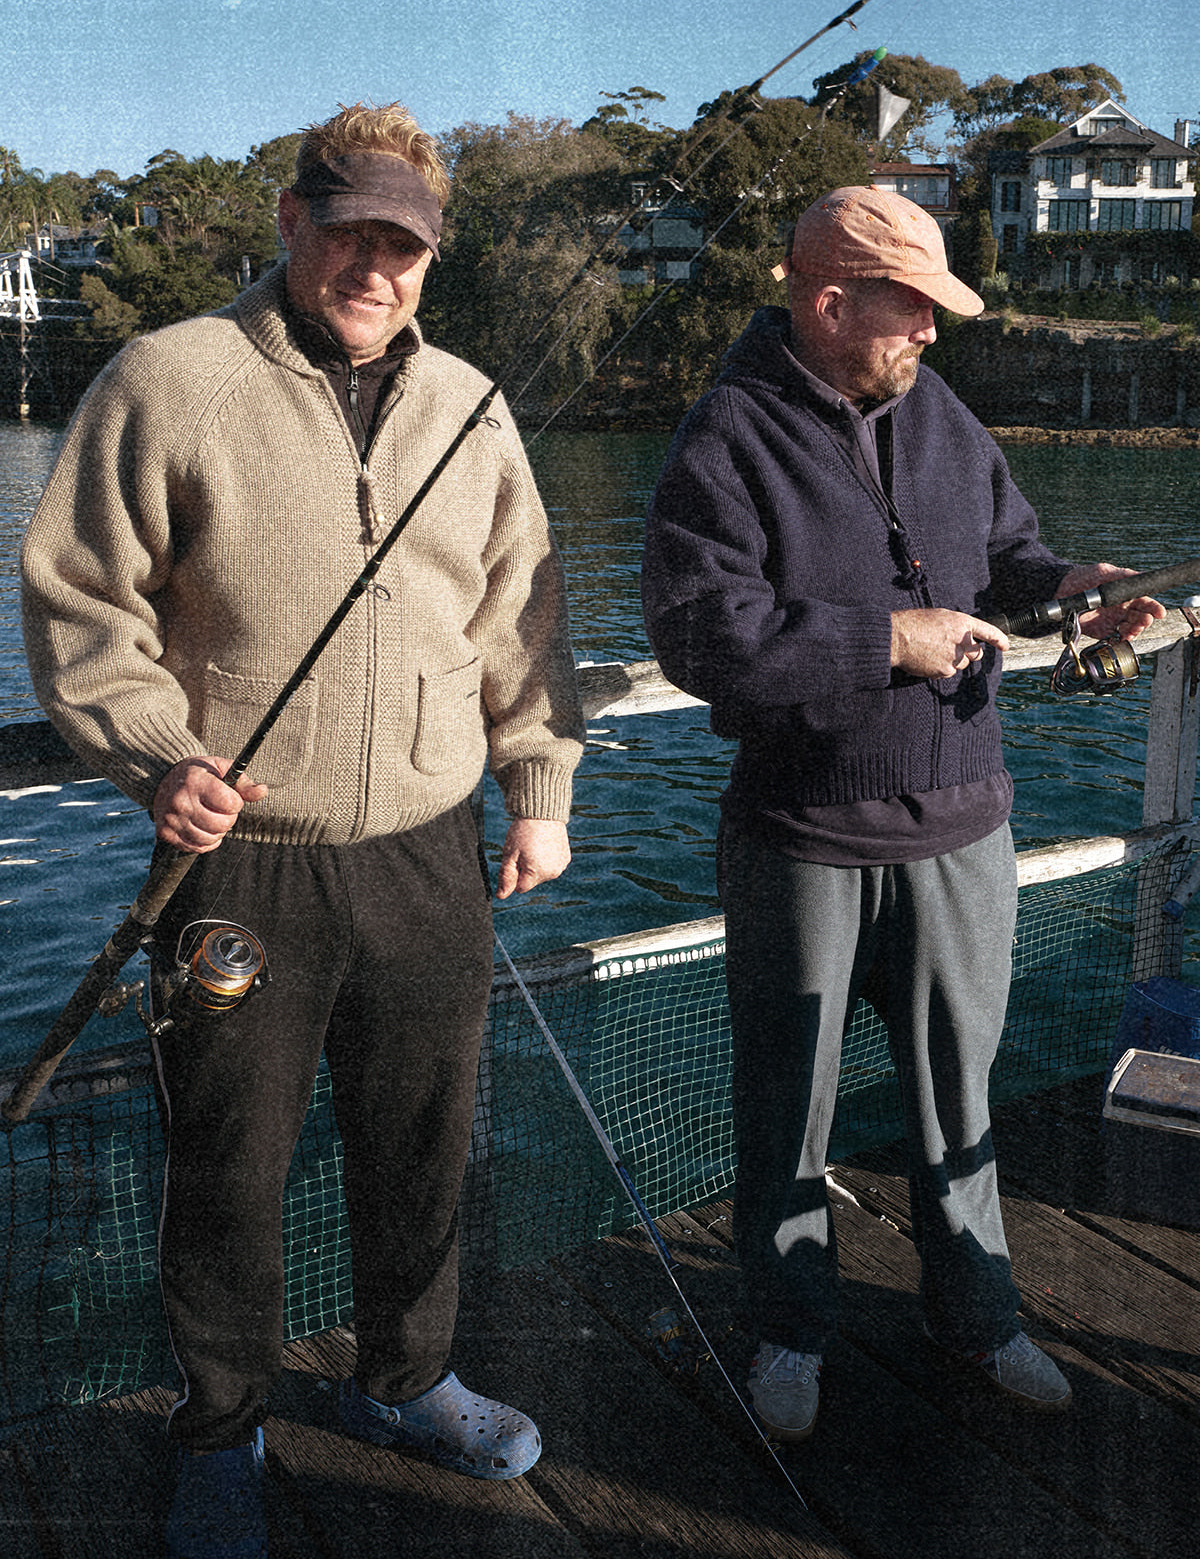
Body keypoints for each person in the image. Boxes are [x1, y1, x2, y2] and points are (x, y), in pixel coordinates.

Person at [21, 102, 585, 1556]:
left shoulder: (474, 405)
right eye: (351, 233)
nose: (374, 267)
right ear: (291, 221)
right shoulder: (170, 376)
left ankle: (409, 1381)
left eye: (404, 245)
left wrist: (538, 789)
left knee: (422, 1141)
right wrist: (153, 755)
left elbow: (524, 617)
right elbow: (83, 598)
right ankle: (222, 1431)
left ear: (431, 258)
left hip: (425, 847)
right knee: (227, 1165)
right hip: (239, 858)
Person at [640, 186, 1163, 1444]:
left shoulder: (944, 415)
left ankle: (981, 1315)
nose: (934, 333)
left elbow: (1009, 563)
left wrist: (1080, 590)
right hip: (800, 839)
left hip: (965, 826)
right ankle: (789, 1325)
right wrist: (884, 642)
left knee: (961, 1096)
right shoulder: (725, 436)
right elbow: (701, 635)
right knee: (787, 1104)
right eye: (914, 309)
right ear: (830, 304)